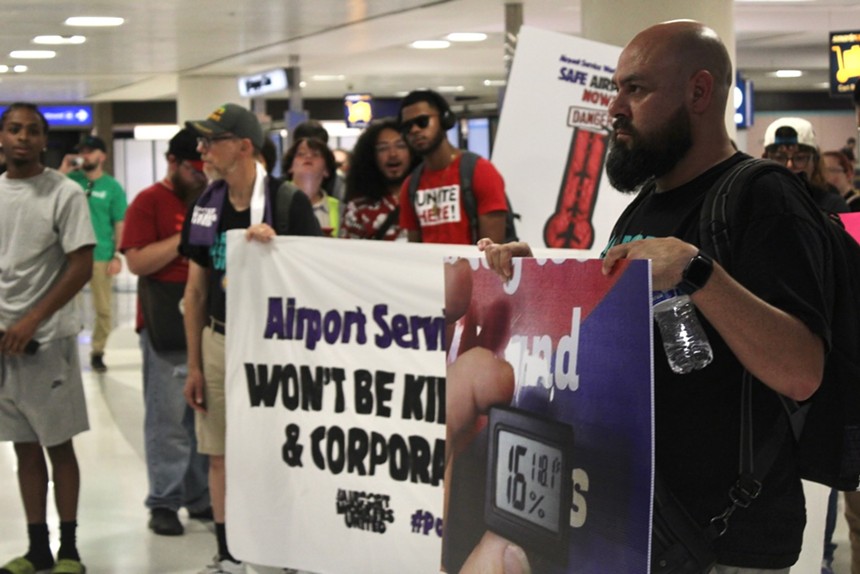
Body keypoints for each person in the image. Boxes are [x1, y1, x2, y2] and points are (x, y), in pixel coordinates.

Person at [481, 20, 830, 572]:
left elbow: (802, 370)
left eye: (635, 90)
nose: (614, 107)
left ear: (698, 92)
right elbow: (614, 333)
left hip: (726, 540)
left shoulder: (763, 197)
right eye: (616, 88)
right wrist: (539, 281)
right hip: (638, 527)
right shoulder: (645, 206)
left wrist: (696, 273)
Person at [180, 103, 320, 574]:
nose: (201, 150)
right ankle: (227, 550)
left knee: (274, 452)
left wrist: (276, 252)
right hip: (220, 342)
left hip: (273, 348)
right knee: (219, 454)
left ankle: (282, 547)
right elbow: (195, 292)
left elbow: (316, 281)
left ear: (243, 146)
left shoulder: (286, 203)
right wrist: (195, 364)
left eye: (210, 140)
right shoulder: (205, 206)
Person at [0, 103, 95, 574]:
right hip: (5, 345)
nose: (22, 137)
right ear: (1, 136)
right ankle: (37, 547)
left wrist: (32, 319)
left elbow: (80, 265)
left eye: (32, 131)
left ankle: (69, 549)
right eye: (14, 129)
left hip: (47, 341)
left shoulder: (65, 193)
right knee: (22, 446)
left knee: (58, 445)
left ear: (43, 140)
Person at [119, 128, 212, 537]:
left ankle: (200, 496)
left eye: (203, 168)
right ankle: (164, 500)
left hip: (206, 316)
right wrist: (187, 237)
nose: (201, 176)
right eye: (193, 170)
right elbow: (137, 262)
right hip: (165, 320)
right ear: (172, 163)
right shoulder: (148, 202)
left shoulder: (212, 196)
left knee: (202, 418)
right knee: (168, 418)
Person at [397, 89, 508, 245]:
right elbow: (414, 248)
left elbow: (493, 250)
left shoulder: (480, 171)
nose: (415, 130)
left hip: (472, 268)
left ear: (445, 119)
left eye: (422, 121)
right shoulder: (410, 186)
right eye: (407, 127)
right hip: (427, 269)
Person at [60, 135, 127, 374]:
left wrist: (118, 255)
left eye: (90, 151)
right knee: (65, 306)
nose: (85, 155)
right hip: (69, 255)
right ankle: (65, 353)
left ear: (102, 156)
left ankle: (98, 351)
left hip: (100, 255)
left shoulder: (112, 187)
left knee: (103, 309)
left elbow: (120, 222)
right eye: (83, 151)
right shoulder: (70, 181)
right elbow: (47, 195)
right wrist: (65, 169)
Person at [341, 119, 417, 240]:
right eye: (382, 148)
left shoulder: (427, 198)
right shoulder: (358, 209)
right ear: (371, 157)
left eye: (400, 146)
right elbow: (345, 255)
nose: (393, 154)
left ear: (413, 153)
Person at [762, 117, 849, 214]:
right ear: (765, 161)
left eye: (799, 158)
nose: (789, 166)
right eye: (779, 158)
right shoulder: (755, 203)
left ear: (815, 161)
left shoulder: (833, 205)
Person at [282, 136, 340, 237]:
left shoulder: (341, 209)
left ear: (326, 170)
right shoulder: (274, 201)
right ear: (290, 167)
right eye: (301, 154)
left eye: (316, 154)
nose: (308, 157)